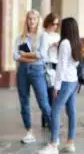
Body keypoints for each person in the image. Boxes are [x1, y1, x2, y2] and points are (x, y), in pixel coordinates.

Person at [38, 17, 81, 154]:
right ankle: (70, 142)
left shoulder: (65, 43)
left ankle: (53, 144)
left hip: (65, 81)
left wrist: (56, 87)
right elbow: (76, 62)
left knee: (55, 110)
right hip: (74, 80)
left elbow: (61, 67)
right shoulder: (76, 42)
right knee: (72, 111)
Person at [13, 9, 52, 144]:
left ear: (38, 20)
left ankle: (54, 132)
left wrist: (24, 55)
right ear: (26, 20)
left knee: (43, 102)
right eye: (29, 19)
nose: (32, 21)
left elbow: (41, 55)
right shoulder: (21, 37)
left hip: (37, 71)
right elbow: (15, 56)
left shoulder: (43, 36)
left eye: (34, 19)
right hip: (22, 72)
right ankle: (29, 132)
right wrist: (31, 57)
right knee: (24, 103)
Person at [41, 12, 60, 128]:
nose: (55, 26)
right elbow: (41, 52)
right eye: (53, 24)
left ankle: (51, 117)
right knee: (48, 94)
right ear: (48, 23)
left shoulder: (58, 36)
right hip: (46, 66)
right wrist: (50, 46)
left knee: (55, 94)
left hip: (56, 66)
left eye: (57, 24)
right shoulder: (43, 35)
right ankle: (47, 118)